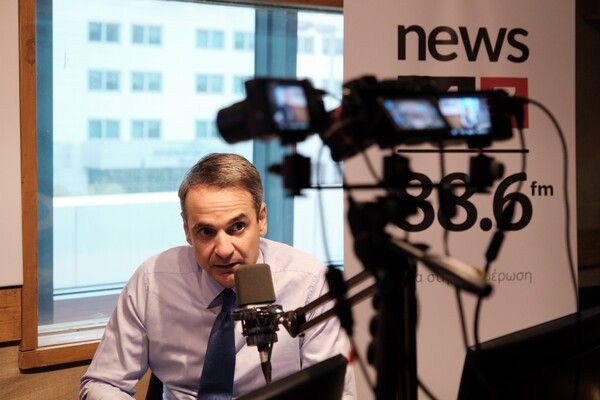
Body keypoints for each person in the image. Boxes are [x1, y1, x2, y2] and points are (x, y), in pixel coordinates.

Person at [80, 153, 356, 399]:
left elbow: (338, 393)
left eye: (237, 227)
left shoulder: (310, 284)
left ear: (261, 219)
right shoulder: (152, 282)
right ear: (187, 230)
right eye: (206, 232)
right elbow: (101, 383)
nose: (223, 250)